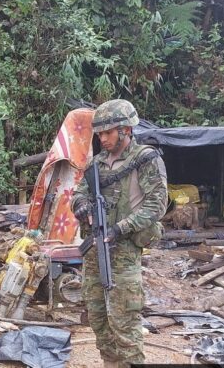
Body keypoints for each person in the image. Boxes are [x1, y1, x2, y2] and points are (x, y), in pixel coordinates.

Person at [71, 99, 168, 368]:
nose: (102, 138)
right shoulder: (97, 163)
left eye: (108, 132)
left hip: (123, 253)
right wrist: (81, 206)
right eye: (99, 133)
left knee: (125, 324)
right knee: (98, 320)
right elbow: (80, 193)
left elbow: (157, 205)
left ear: (125, 130)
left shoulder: (145, 159)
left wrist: (119, 228)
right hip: (94, 252)